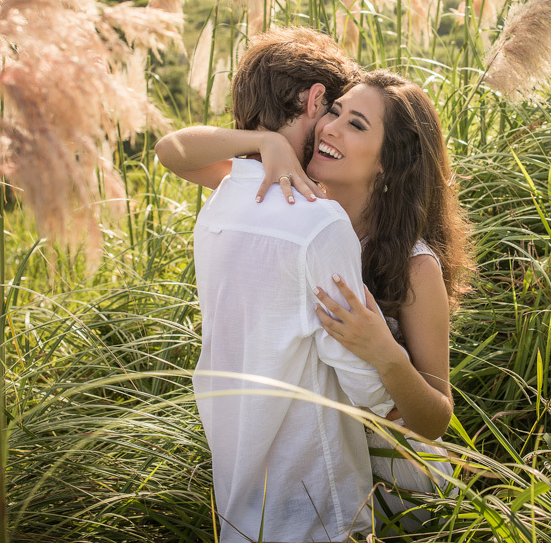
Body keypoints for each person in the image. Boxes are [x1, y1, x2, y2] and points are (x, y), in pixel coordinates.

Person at [158, 64, 473, 516]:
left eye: (356, 124)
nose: (330, 128)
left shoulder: (415, 266)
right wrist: (265, 142)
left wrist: (385, 353)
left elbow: (435, 418)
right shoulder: (294, 196)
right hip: (315, 473)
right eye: (335, 111)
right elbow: (172, 151)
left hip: (397, 486)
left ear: (388, 162)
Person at [155, 27, 393, 543]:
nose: (331, 130)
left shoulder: (222, 205)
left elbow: (171, 150)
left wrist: (263, 142)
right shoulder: (318, 222)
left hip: (240, 499)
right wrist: (404, 392)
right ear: (314, 99)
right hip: (318, 504)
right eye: (332, 112)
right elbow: (365, 382)